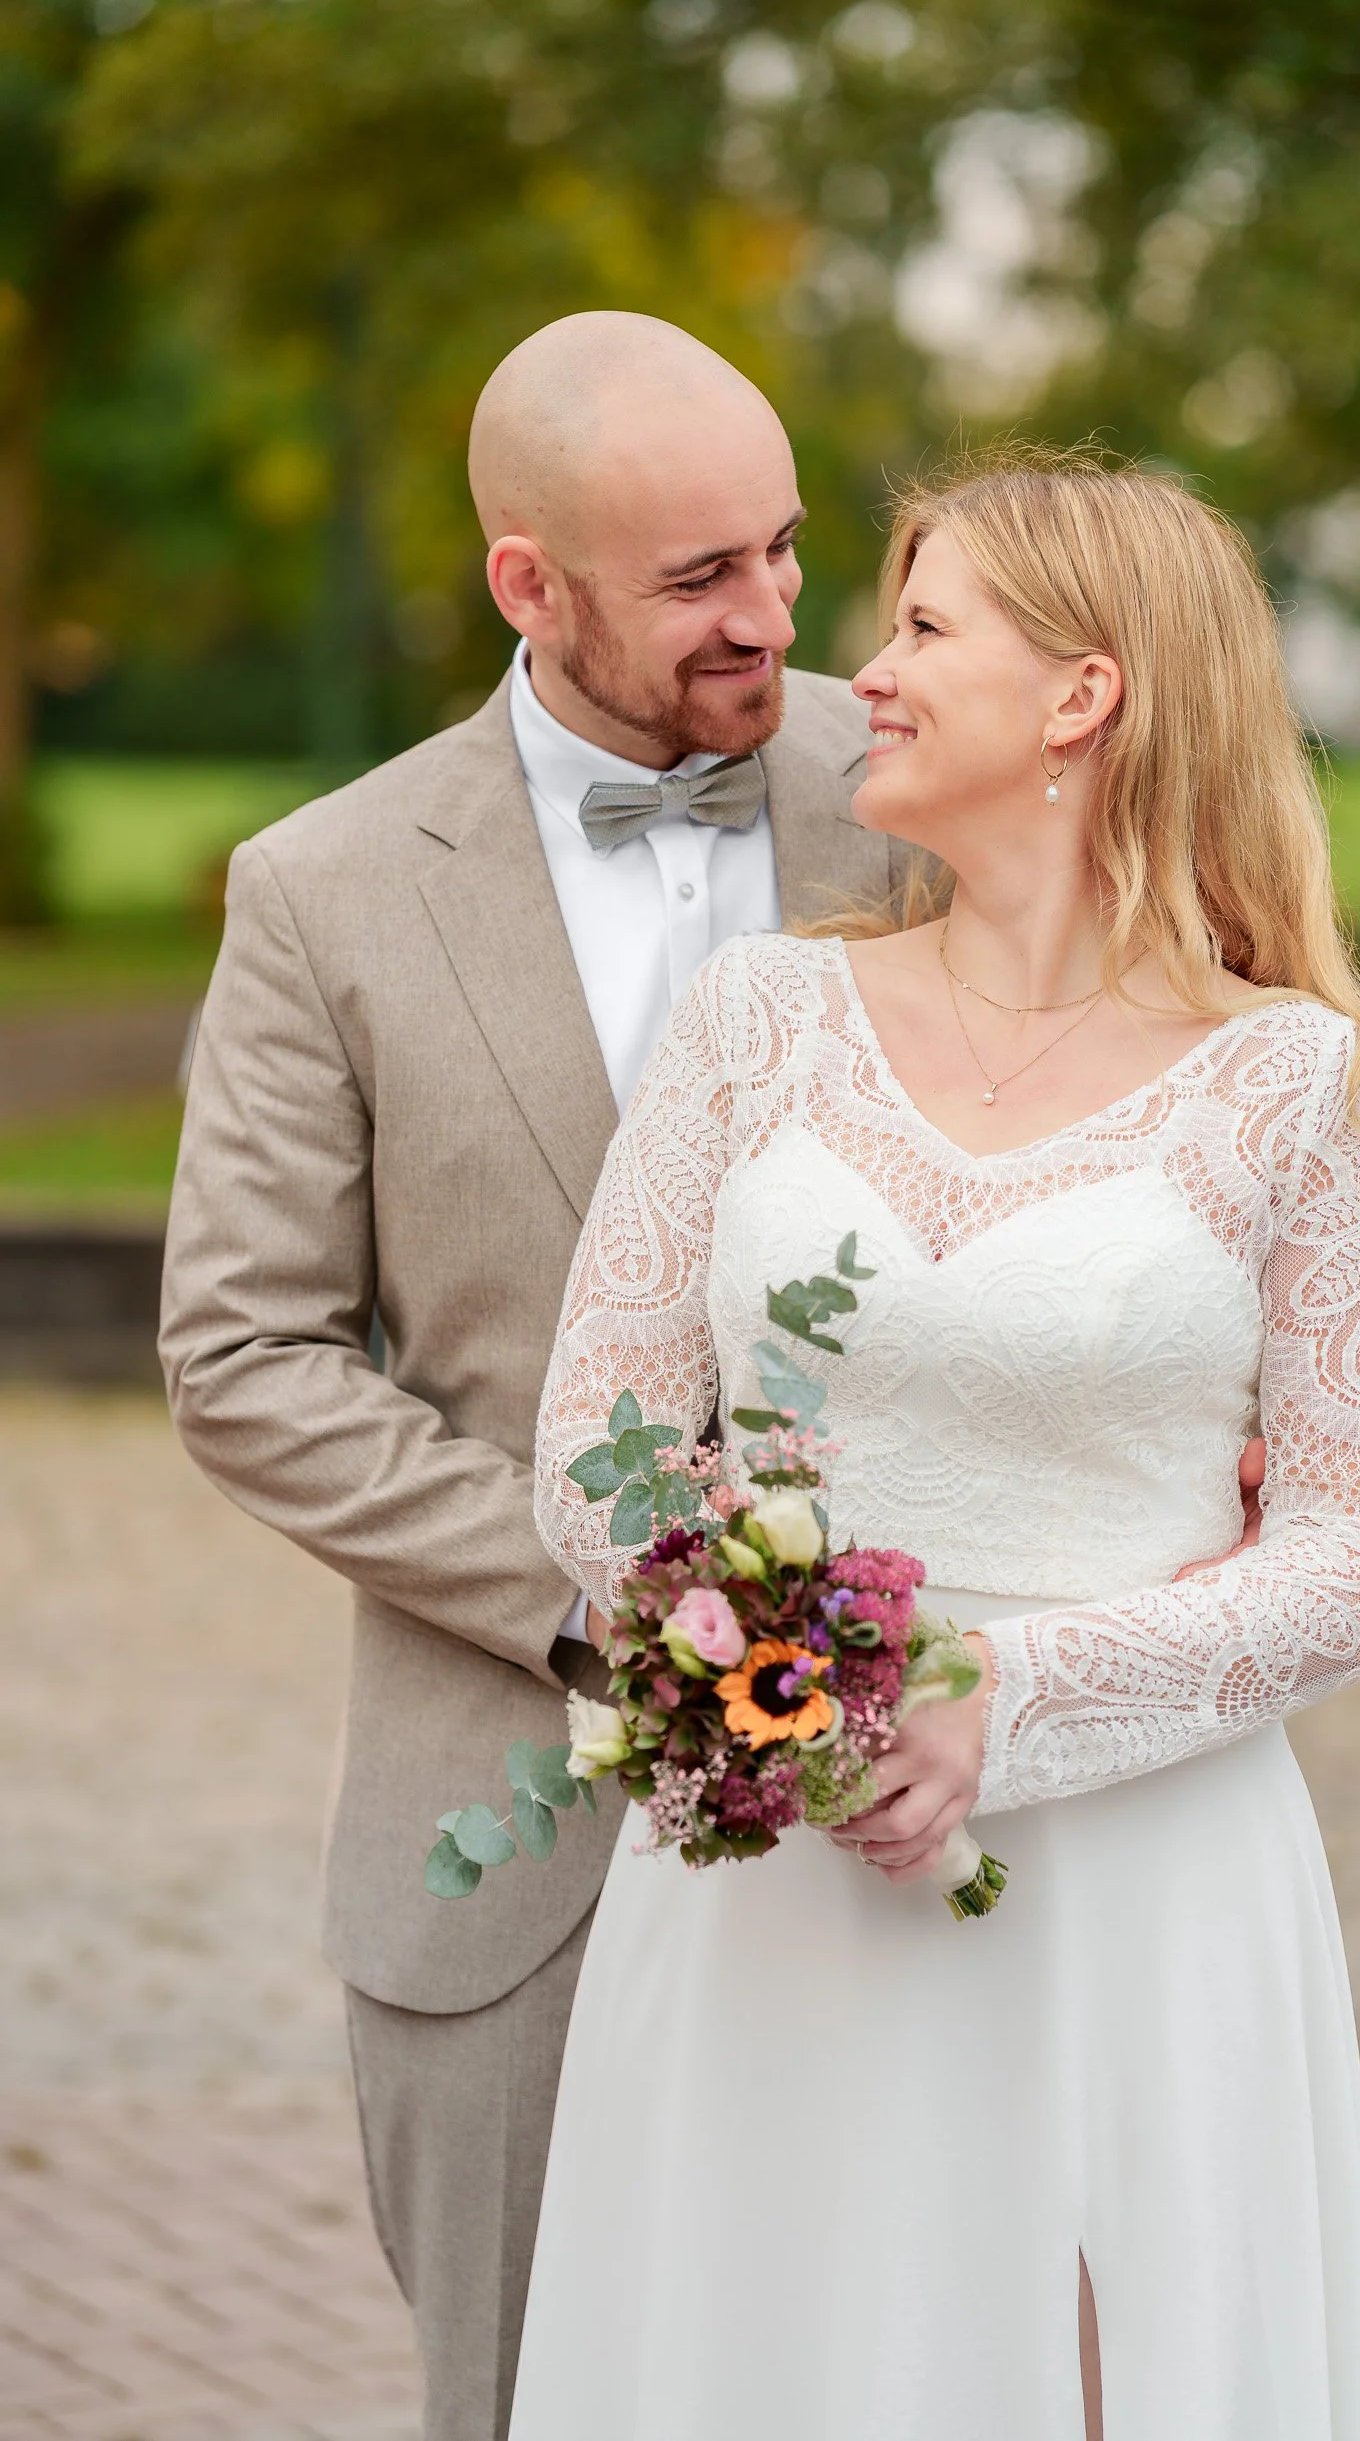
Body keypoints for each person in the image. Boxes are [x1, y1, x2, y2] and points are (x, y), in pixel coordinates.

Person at [513, 448, 1360, 2441]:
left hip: (1144, 1883)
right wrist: (795, 1696)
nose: (868, 671)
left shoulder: (1290, 1083)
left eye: (921, 625)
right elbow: (598, 1432)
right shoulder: (752, 1021)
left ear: (1082, 695)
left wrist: (988, 1697)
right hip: (775, 1874)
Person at [157, 311, 918, 2441]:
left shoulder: (928, 795)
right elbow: (238, 1349)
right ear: (527, 583)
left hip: (910, 1813)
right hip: (504, 1847)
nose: (769, 619)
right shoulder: (321, 893)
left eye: (781, 553)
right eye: (698, 578)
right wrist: (616, 1606)